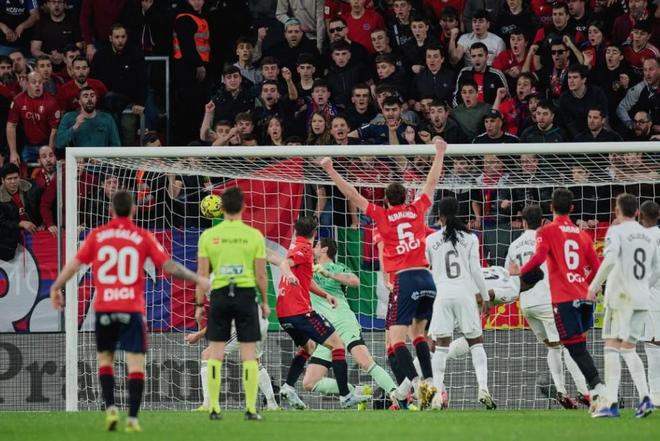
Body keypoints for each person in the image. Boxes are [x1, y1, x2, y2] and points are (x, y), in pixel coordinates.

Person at [49, 190, 210, 432]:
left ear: (110, 210)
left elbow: (74, 264)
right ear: (134, 210)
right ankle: (133, 419)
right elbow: (168, 266)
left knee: (106, 360)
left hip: (105, 308)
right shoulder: (141, 236)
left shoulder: (98, 235)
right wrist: (196, 277)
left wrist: (56, 287)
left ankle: (111, 409)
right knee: (135, 363)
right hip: (131, 308)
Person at [321, 139, 447, 410]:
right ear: (406, 197)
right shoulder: (417, 210)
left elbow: (353, 195)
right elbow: (432, 182)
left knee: (397, 340)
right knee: (419, 336)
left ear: (387, 200)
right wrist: (439, 152)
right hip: (427, 279)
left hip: (406, 278)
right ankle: (432, 386)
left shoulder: (382, 216)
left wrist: (330, 170)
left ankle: (418, 386)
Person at [510, 188, 607, 415]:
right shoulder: (582, 234)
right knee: (578, 349)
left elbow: (538, 258)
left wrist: (521, 273)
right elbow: (597, 268)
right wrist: (589, 287)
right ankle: (596, 393)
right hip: (584, 298)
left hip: (564, 299)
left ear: (551, 207)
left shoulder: (547, 231)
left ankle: (599, 393)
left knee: (573, 349)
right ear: (572, 208)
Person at [276, 215, 370, 409]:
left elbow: (306, 280)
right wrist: (289, 275)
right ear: (314, 233)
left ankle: (288, 387)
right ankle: (345, 395)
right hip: (299, 311)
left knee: (308, 347)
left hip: (283, 312)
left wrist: (325, 294)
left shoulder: (295, 246)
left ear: (296, 230)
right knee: (337, 345)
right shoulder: (304, 249)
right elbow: (285, 264)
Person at [193, 187, 270, 421]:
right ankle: (251, 409)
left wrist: (199, 305)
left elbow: (201, 274)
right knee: (249, 354)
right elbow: (261, 275)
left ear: (222, 208)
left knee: (215, 353)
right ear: (243, 207)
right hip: (245, 295)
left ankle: (214, 408)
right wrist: (265, 301)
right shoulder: (253, 235)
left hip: (220, 295)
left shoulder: (208, 236)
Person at [291, 238, 398, 399]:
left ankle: (398, 395)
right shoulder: (307, 268)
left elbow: (355, 281)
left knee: (365, 361)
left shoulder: (338, 267)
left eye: (317, 245)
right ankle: (357, 391)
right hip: (324, 330)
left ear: (325, 249)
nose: (313, 248)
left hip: (343, 321)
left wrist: (329, 274)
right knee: (309, 382)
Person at [588, 194, 659, 418]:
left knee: (611, 345)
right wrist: (644, 286)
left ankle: (610, 403)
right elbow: (657, 268)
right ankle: (646, 398)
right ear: (637, 212)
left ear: (617, 211)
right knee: (628, 347)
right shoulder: (648, 236)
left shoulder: (616, 231)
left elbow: (609, 260)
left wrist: (593, 286)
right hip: (642, 297)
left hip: (621, 296)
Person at [425, 197, 495, 410]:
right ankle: (483, 388)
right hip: (464, 294)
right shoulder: (471, 238)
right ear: (458, 213)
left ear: (439, 216)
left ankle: (436, 395)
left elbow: (427, 270)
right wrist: (485, 297)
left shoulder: (431, 240)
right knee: (476, 342)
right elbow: (476, 270)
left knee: (440, 346)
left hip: (442, 295)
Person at [6, 71, 60, 165]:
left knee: (48, 167)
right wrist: (13, 152)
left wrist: (49, 153)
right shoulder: (18, 100)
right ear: (27, 84)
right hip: (27, 145)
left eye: (40, 82)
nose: (37, 85)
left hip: (46, 144)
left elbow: (54, 130)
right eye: (34, 82)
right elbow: (11, 126)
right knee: (23, 170)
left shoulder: (51, 102)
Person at [639, 201, 660, 407]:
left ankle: (655, 394)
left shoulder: (643, 238)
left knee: (652, 344)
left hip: (653, 295)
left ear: (640, 216)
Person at [56, 86, 121, 149]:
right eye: (85, 96)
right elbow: (59, 143)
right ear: (79, 101)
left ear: (96, 99)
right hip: (78, 156)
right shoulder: (69, 117)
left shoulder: (107, 118)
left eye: (92, 96)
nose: (90, 99)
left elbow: (116, 145)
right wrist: (75, 126)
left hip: (101, 156)